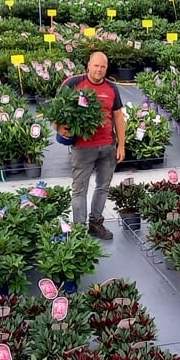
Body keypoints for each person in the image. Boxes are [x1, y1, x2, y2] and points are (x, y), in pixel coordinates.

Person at [55, 50, 127, 239]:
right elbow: (57, 109)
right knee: (80, 189)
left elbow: (119, 117)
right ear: (88, 65)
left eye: (103, 67)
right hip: (82, 148)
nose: (99, 70)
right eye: (96, 65)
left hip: (107, 146)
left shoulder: (112, 88)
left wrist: (121, 146)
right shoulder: (73, 84)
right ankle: (79, 229)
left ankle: (96, 223)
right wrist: (59, 128)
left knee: (103, 186)